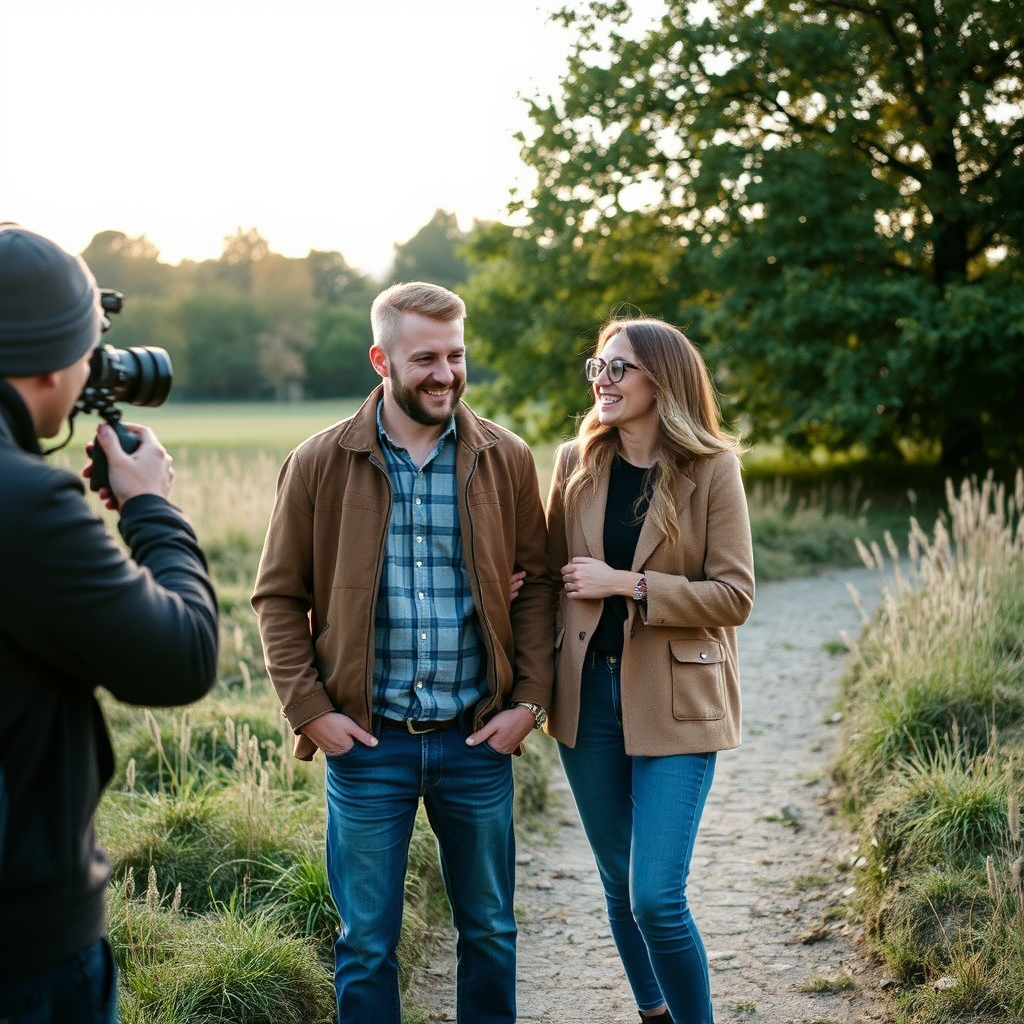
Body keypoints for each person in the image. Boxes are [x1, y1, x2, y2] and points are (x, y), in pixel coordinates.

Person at [251, 281, 552, 1024]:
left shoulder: (505, 458)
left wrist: (530, 704)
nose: (446, 374)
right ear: (381, 359)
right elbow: (279, 598)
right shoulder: (319, 462)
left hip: (478, 740)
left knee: (490, 931)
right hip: (367, 744)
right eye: (426, 359)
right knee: (364, 945)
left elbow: (540, 587)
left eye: (456, 355)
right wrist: (311, 711)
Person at [0, 225, 220, 1023]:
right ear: (58, 363)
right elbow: (182, 658)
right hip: (24, 948)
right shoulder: (25, 503)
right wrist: (153, 508)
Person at [545, 317, 755, 1024]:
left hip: (677, 696)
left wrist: (629, 585)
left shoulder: (712, 468)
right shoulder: (575, 461)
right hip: (587, 695)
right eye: (597, 366)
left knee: (655, 895)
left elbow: (735, 596)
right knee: (616, 880)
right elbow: (550, 575)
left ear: (661, 381)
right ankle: (653, 1014)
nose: (601, 380)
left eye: (618, 368)